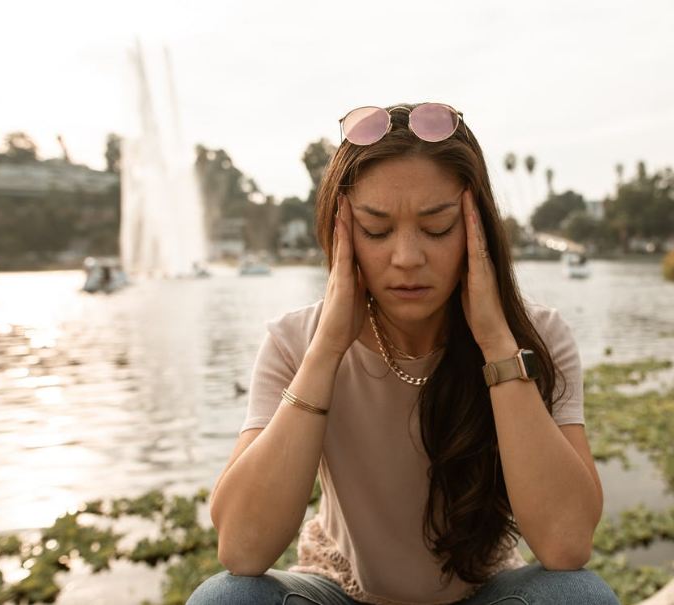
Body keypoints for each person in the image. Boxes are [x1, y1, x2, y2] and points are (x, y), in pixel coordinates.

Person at [188, 103, 620, 605]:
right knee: (227, 600)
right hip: (344, 595)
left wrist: (497, 346)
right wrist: (326, 351)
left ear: (476, 226)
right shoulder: (295, 341)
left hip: (482, 595)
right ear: (340, 231)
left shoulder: (536, 337)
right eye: (375, 230)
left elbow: (567, 545)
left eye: (437, 228)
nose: (407, 258)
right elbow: (241, 550)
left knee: (576, 595)